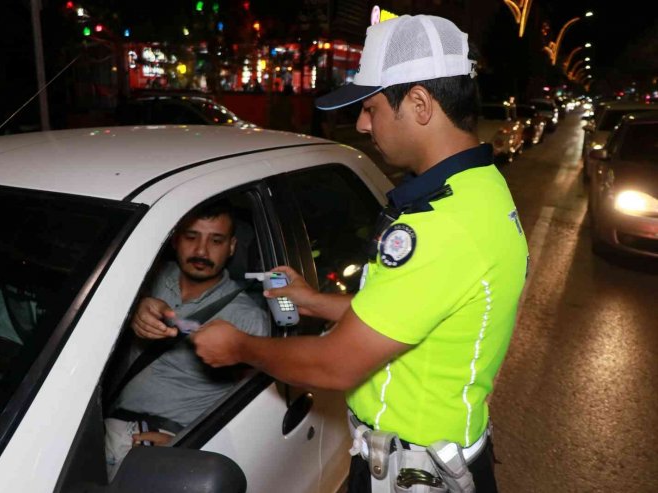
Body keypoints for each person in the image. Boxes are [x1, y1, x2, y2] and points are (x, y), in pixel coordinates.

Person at [192, 14, 529, 493]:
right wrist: (313, 301)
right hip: (428, 456)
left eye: (370, 108)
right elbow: (416, 311)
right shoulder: (480, 189)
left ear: (418, 103)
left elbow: (336, 364)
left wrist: (239, 347)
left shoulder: (444, 223)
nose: (362, 124)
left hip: (415, 474)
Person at [104, 200, 269, 479]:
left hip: (174, 436)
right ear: (175, 240)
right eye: (191, 237)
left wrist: (187, 442)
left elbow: (254, 405)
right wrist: (132, 309)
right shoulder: (141, 278)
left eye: (216, 240)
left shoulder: (247, 319)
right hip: (103, 418)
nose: (202, 251)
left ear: (231, 247)